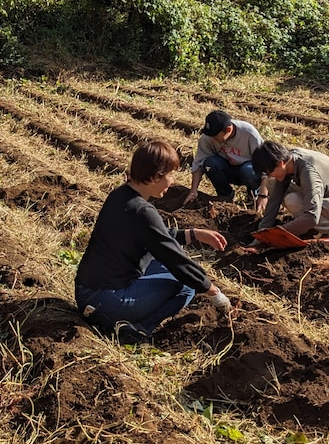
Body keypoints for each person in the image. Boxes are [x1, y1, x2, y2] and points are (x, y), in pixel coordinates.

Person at [77, 140, 231, 344]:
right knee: (186, 284)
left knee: (164, 264)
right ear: (153, 177)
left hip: (86, 293)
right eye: (169, 175)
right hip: (106, 302)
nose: (172, 181)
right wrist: (214, 292)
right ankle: (138, 329)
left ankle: (121, 321)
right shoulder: (143, 211)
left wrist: (192, 233)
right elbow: (175, 260)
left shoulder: (121, 196)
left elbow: (153, 235)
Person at [250, 140, 329, 237]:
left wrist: (280, 233)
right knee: (272, 183)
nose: (269, 176)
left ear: (280, 163)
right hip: (323, 196)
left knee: (293, 200)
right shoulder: (289, 161)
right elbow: (274, 201)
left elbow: (311, 216)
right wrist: (262, 234)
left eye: (270, 172)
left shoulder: (308, 172)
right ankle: (305, 224)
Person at [183, 110, 264, 206]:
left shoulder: (249, 133)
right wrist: (193, 191)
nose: (211, 138)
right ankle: (226, 197)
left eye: (215, 135)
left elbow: (265, 165)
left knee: (248, 170)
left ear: (228, 130)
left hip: (248, 170)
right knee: (210, 164)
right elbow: (198, 165)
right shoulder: (207, 137)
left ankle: (253, 197)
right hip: (226, 168)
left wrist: (263, 195)